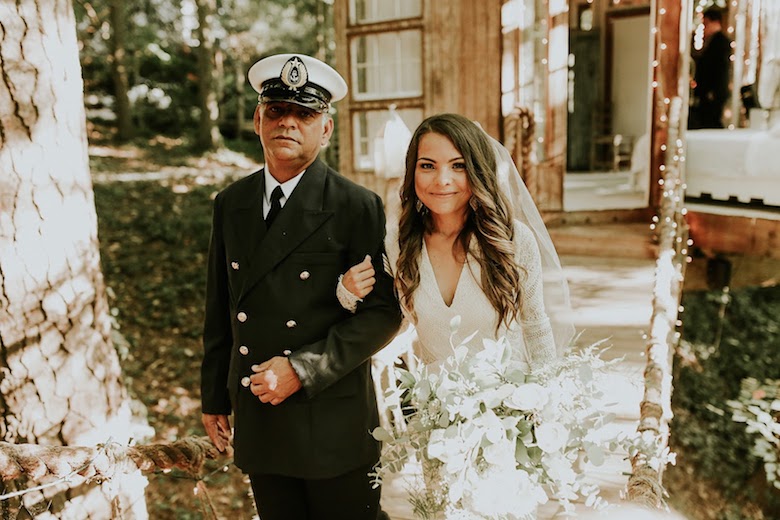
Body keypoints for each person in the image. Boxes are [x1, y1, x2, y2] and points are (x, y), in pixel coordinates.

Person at [200, 53, 402, 520]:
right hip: (260, 411)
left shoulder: (356, 206)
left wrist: (303, 369)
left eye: (305, 113)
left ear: (325, 129)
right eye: (277, 110)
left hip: (331, 417)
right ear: (258, 119)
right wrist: (214, 395)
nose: (288, 122)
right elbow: (221, 307)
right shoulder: (232, 203)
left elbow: (383, 312)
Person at [339, 113, 574, 373]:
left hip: (510, 401)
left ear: (477, 170)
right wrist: (348, 294)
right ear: (412, 172)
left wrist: (546, 401)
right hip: (433, 406)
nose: (442, 180)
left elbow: (536, 326)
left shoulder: (512, 239)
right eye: (427, 166)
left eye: (458, 165)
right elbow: (393, 322)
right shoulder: (398, 242)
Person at [689, 6, 732, 129]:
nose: (704, 27)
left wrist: (713, 91)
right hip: (710, 91)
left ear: (714, 22)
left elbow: (719, 70)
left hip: (713, 92)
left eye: (706, 23)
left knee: (710, 120)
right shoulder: (713, 41)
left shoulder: (720, 42)